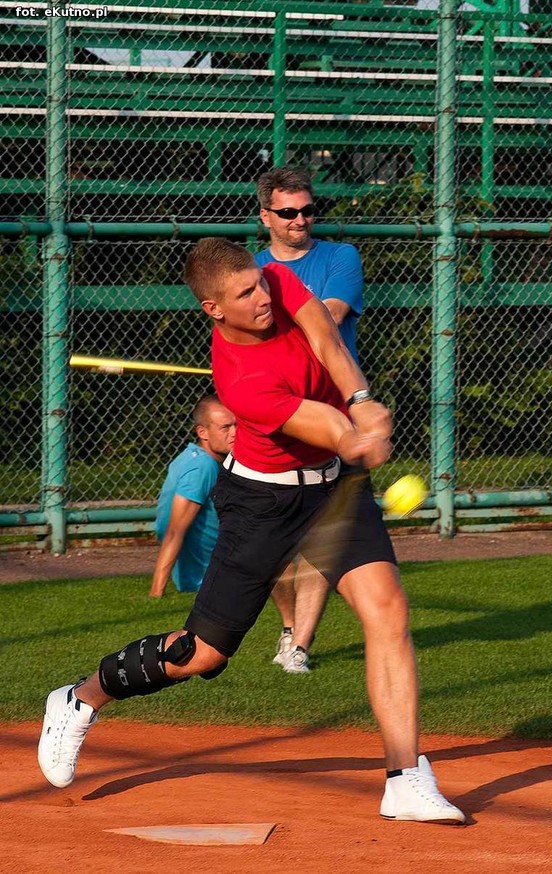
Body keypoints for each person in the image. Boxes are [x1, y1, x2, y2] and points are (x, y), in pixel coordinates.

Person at [37, 238, 465, 825]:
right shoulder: (238, 381)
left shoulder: (276, 282)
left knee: (386, 608)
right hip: (263, 503)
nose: (262, 295)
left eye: (259, 283)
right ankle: (80, 699)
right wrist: (355, 433)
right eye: (244, 293)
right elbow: (324, 425)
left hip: (333, 490)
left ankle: (406, 778)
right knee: (201, 654)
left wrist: (363, 399)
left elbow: (328, 343)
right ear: (214, 308)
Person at [255, 166, 364, 673]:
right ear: (266, 216)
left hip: (335, 416)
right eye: (288, 212)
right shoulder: (249, 271)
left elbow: (331, 315)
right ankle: (286, 625)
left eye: (307, 210)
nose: (300, 220)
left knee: (324, 532)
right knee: (269, 546)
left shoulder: (341, 257)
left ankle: (299, 643)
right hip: (275, 417)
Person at [148, 396, 236, 599]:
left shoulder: (192, 458)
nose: (235, 433)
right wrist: (156, 593)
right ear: (202, 432)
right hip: (207, 580)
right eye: (225, 428)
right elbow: (173, 531)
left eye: (237, 425)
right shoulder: (202, 467)